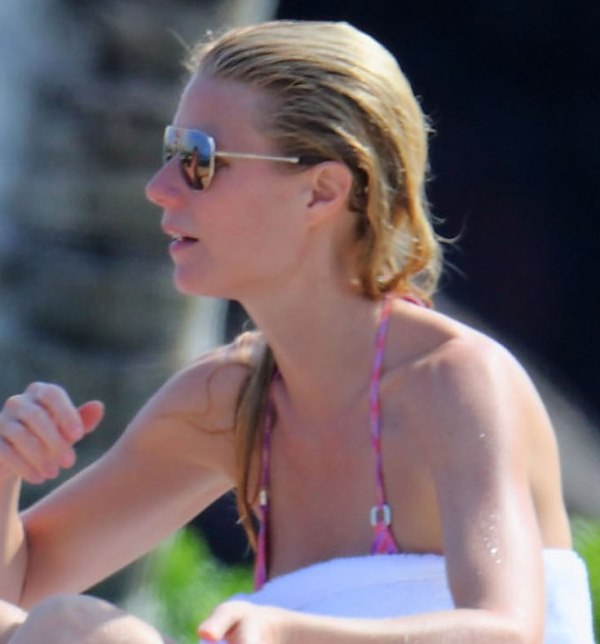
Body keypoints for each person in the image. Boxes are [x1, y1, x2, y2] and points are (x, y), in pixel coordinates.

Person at [0, 19, 594, 644]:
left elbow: (507, 632)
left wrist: (291, 633)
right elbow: (21, 583)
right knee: (64, 628)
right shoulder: (226, 403)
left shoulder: (453, 381)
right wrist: (6, 470)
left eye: (200, 159)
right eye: (169, 152)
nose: (159, 189)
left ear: (322, 192)